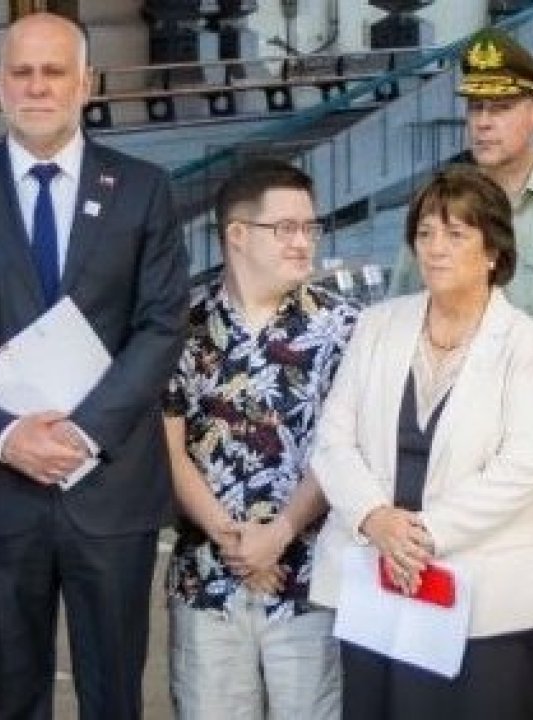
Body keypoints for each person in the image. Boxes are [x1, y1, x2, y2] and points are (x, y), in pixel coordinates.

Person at [0, 12, 189, 719]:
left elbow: (161, 326)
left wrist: (83, 432)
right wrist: (6, 435)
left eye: (54, 71)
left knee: (114, 698)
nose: (37, 87)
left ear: (86, 83)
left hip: (110, 487)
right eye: (22, 72)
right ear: (0, 84)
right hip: (1, 494)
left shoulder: (143, 188)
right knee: (9, 699)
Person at [387, 27, 533, 718]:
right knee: (466, 600)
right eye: (475, 108)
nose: (483, 122)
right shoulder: (438, 213)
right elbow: (401, 321)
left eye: (500, 107)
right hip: (455, 431)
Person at [311, 166, 533, 718]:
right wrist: (375, 519)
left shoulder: (531, 345)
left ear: (493, 250)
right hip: (379, 572)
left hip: (486, 589)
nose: (435, 248)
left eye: (455, 234)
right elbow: (332, 439)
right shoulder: (377, 325)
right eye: (425, 233)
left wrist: (421, 536)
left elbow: (526, 465)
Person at [163, 159, 358, 720]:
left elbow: (343, 451)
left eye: (310, 228)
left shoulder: (343, 328)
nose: (303, 242)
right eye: (286, 228)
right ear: (238, 235)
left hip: (310, 582)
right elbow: (169, 452)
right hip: (208, 582)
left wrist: (279, 533)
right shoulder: (181, 327)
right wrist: (238, 545)